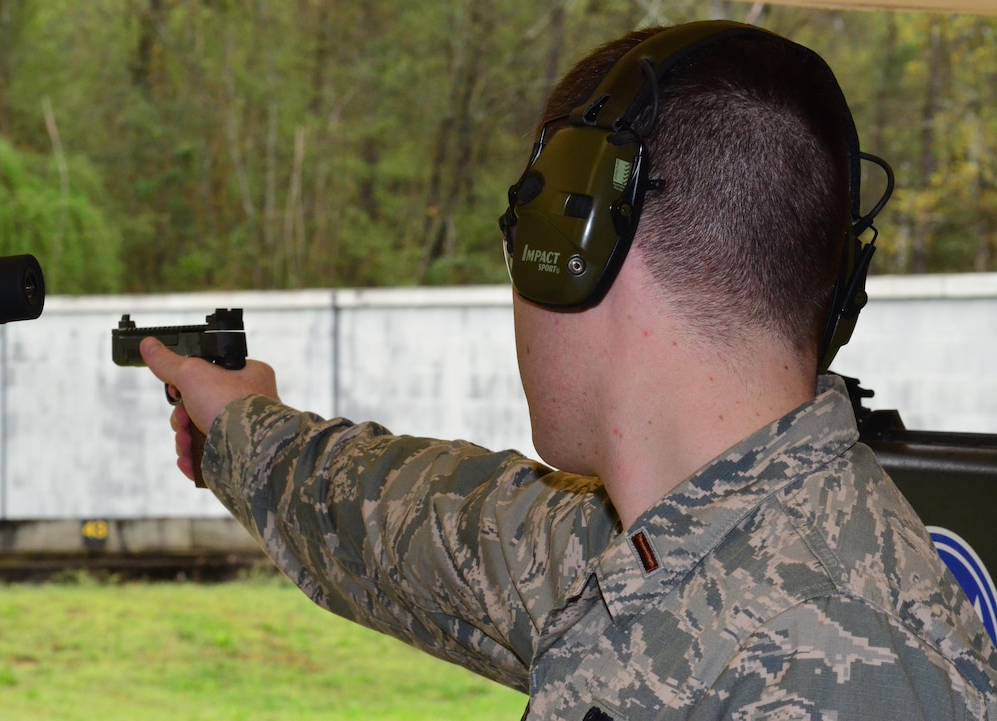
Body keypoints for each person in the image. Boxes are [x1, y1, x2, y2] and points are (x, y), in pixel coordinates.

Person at [141, 20, 997, 720]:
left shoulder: (848, 668)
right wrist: (246, 425)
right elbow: (411, 521)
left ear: (573, 245)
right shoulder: (674, 534)